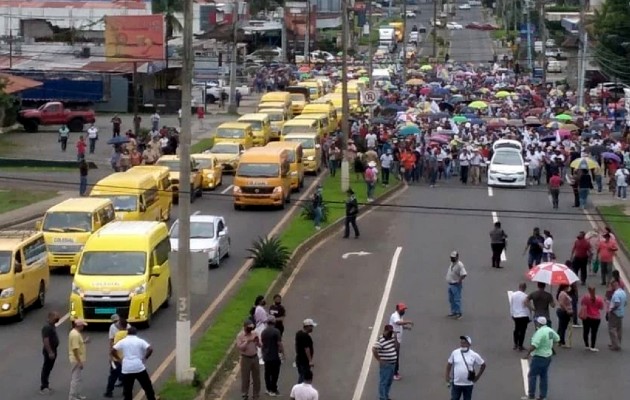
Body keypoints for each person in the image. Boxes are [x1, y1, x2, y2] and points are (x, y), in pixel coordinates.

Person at [111, 326, 155, 400]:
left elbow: (113, 350)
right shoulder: (140, 341)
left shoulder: (123, 341)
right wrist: (145, 358)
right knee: (147, 387)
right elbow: (150, 349)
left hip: (127, 368)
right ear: (135, 333)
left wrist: (119, 359)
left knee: (128, 390)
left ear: (127, 333)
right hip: (139, 367)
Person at [522, 317, 560, 400]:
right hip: (548, 357)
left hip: (539, 356)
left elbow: (534, 345)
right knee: (543, 376)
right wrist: (550, 346)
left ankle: (531, 395)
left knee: (532, 375)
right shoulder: (549, 330)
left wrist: (527, 354)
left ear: (538, 323)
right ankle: (543, 396)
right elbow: (557, 338)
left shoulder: (539, 332)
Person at [445, 336, 486, 400]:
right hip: (456, 383)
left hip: (468, 384)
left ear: (469, 344)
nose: (462, 344)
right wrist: (447, 376)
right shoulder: (455, 353)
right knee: (454, 398)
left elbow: (483, 365)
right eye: (461, 342)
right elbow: (449, 364)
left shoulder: (474, 355)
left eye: (464, 343)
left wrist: (477, 377)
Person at [236, 319, 261, 400]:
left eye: (251, 327)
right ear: (245, 327)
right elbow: (240, 348)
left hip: (254, 357)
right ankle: (245, 393)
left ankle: (256, 394)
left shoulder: (255, 333)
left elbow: (260, 345)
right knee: (245, 377)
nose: (250, 329)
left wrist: (257, 342)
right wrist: (247, 341)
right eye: (249, 327)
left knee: (256, 377)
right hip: (245, 359)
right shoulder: (240, 336)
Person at [372, 324, 398, 400]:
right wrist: (380, 360)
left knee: (389, 381)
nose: (390, 334)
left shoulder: (392, 337)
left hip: (392, 364)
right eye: (389, 332)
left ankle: (386, 396)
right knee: (384, 382)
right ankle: (382, 397)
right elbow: (374, 349)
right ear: (385, 331)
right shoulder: (381, 340)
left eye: (391, 332)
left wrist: (395, 338)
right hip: (386, 365)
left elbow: (395, 346)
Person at [389, 303, 413, 380]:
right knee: (395, 356)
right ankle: (394, 373)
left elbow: (400, 325)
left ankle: (395, 371)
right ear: (398, 309)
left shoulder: (400, 316)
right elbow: (398, 323)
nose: (403, 310)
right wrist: (408, 321)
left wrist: (406, 328)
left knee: (396, 355)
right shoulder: (394, 316)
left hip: (398, 339)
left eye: (404, 309)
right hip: (394, 338)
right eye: (402, 309)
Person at [261, 316, 284, 397]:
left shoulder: (264, 332)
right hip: (275, 356)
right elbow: (279, 343)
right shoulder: (276, 331)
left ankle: (268, 388)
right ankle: (273, 389)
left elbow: (263, 344)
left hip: (266, 356)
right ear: (274, 322)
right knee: (275, 373)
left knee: (267, 373)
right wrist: (282, 353)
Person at [40, 311, 60, 395]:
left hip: (53, 349)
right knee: (46, 368)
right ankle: (44, 386)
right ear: (50, 317)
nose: (57, 318)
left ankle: (46, 385)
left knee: (49, 368)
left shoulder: (52, 326)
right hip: (49, 350)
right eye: (56, 317)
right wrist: (50, 352)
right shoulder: (47, 327)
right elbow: (46, 340)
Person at [68, 319, 88, 400]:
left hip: (76, 359)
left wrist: (84, 342)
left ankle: (77, 394)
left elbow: (77, 344)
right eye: (82, 325)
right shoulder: (75, 335)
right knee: (75, 379)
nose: (83, 327)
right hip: (76, 360)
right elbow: (75, 349)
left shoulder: (74, 333)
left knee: (78, 378)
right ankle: (72, 396)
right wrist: (79, 362)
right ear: (79, 326)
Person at [580, 285, 604, 351]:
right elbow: (601, 308)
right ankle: (593, 346)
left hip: (587, 317)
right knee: (594, 332)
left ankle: (586, 345)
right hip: (596, 318)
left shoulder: (585, 297)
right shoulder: (599, 299)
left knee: (585, 331)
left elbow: (582, 303)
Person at [446, 251, 467, 319]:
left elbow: (464, 274)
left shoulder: (460, 265)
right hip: (450, 284)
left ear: (457, 257)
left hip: (456, 284)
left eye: (453, 258)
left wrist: (459, 280)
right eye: (451, 257)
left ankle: (458, 313)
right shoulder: (452, 263)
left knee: (456, 299)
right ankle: (453, 311)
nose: (452, 259)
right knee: (451, 299)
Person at [295, 319, 316, 383]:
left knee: (301, 374)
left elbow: (296, 345)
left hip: (299, 358)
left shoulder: (299, 333)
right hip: (304, 360)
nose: (312, 328)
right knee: (303, 376)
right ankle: (299, 390)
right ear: (307, 327)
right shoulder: (306, 337)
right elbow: (307, 349)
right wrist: (310, 361)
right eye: (311, 326)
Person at [608, 279, 627, 351]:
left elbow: (617, 303)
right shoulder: (623, 292)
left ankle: (615, 345)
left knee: (612, 329)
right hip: (621, 313)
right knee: (619, 329)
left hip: (615, 313)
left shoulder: (616, 294)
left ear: (614, 285)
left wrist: (612, 309)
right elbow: (625, 303)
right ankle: (618, 342)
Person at [510, 283, 530, 351]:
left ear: (519, 287)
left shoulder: (513, 295)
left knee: (516, 329)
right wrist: (529, 316)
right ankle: (520, 345)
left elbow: (511, 305)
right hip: (524, 315)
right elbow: (527, 307)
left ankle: (515, 344)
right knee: (523, 331)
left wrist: (512, 314)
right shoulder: (525, 296)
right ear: (524, 288)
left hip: (516, 315)